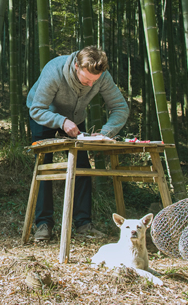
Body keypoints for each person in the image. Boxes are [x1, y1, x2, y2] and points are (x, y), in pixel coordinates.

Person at [27, 46, 129, 241]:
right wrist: (62, 122)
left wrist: (105, 133)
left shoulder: (102, 77)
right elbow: (37, 109)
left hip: (74, 117)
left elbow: (120, 108)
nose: (91, 85)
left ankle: (83, 225)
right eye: (86, 80)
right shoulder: (54, 71)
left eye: (95, 81)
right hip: (44, 114)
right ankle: (43, 225)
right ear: (76, 66)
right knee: (45, 168)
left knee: (81, 167)